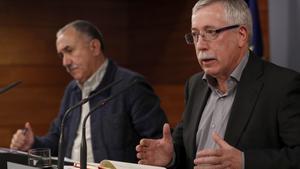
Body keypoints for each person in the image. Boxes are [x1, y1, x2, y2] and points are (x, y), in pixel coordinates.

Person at [136, 0, 300, 169]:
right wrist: (171, 156)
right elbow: (184, 150)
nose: (200, 45)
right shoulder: (194, 86)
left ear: (241, 35)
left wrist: (244, 162)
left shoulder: (282, 85)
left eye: (211, 32)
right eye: (195, 35)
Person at [10, 20, 168, 163]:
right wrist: (33, 143)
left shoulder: (131, 85)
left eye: (69, 50)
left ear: (94, 47)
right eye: (61, 55)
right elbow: (58, 139)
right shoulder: (72, 90)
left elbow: (158, 144)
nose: (65, 62)